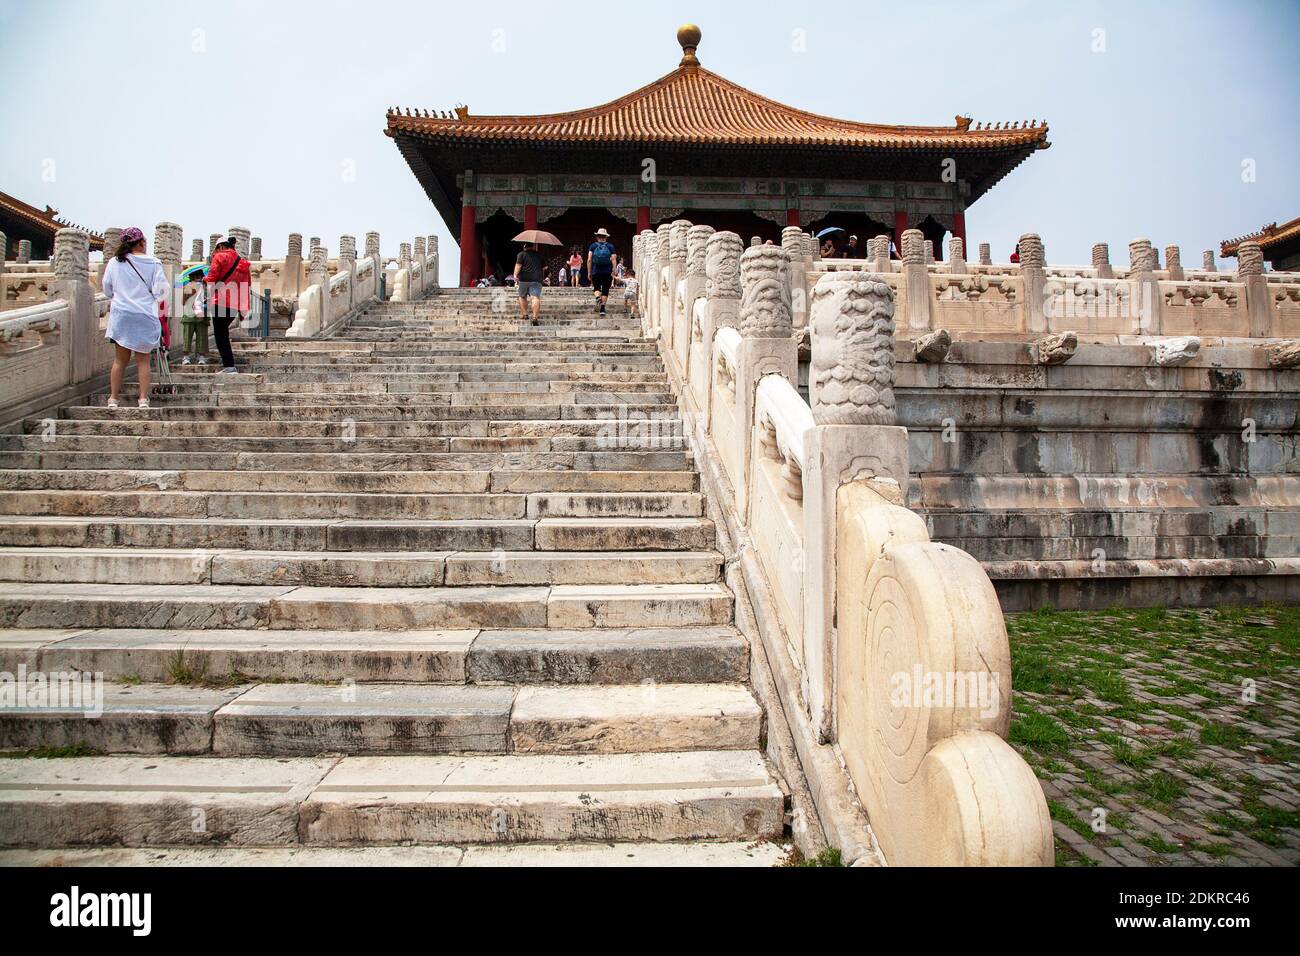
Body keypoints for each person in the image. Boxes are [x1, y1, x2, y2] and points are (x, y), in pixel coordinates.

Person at [101, 226, 166, 409]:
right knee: (143, 360)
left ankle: (113, 399)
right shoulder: (154, 263)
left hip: (122, 314)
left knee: (119, 360)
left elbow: (107, 289)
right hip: (144, 314)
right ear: (142, 242)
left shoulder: (115, 262)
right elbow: (161, 291)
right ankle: (143, 399)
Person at [203, 237, 250, 374]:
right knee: (223, 332)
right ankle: (229, 365)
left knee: (220, 334)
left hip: (220, 301)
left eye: (216, 249)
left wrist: (209, 294)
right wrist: (243, 309)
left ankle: (229, 365)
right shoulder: (243, 262)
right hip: (234, 305)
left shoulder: (220, 257)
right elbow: (246, 286)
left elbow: (211, 279)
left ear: (221, 247)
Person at [181, 272, 209, 365]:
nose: (198, 279)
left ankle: (202, 357)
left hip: (202, 315)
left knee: (202, 336)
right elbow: (183, 301)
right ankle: (186, 357)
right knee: (187, 336)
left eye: (199, 277)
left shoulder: (205, 287)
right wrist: (190, 293)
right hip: (189, 315)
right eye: (195, 277)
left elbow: (210, 300)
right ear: (191, 278)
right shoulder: (187, 287)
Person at [587, 227, 617, 315]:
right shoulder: (610, 246)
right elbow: (614, 258)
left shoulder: (593, 246)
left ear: (597, 237)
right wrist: (614, 270)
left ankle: (597, 298)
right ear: (606, 237)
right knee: (605, 290)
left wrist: (589, 272)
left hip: (596, 271)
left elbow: (589, 259)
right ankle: (602, 309)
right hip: (607, 272)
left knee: (596, 288)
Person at [514, 240, 545, 324]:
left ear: (525, 246)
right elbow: (545, 268)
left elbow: (518, 265)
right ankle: (535, 317)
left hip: (524, 279)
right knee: (535, 297)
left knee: (522, 296)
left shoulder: (521, 254)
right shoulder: (539, 255)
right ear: (533, 246)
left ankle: (525, 314)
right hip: (536, 279)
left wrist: (515, 275)